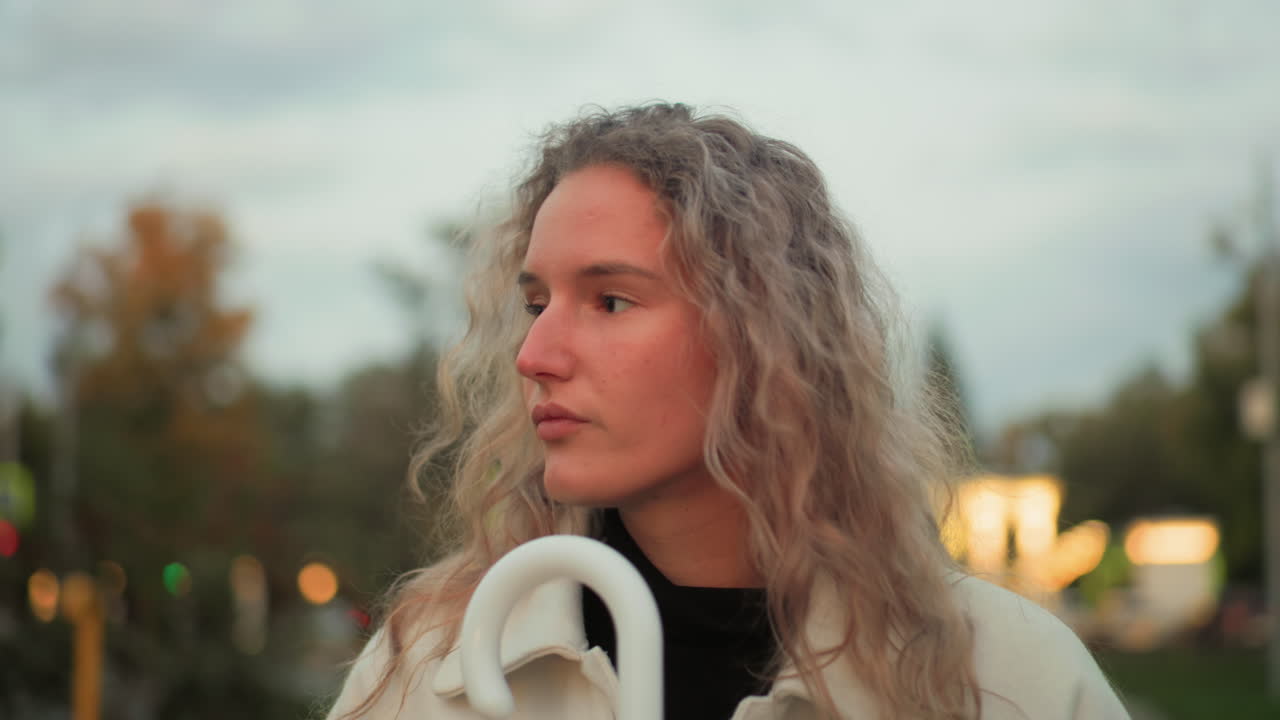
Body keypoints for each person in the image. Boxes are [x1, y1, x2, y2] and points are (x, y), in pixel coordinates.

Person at [325, 103, 1130, 720]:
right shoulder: (433, 669)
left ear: (762, 336)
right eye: (536, 302)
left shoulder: (1002, 678)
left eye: (609, 300)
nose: (534, 354)